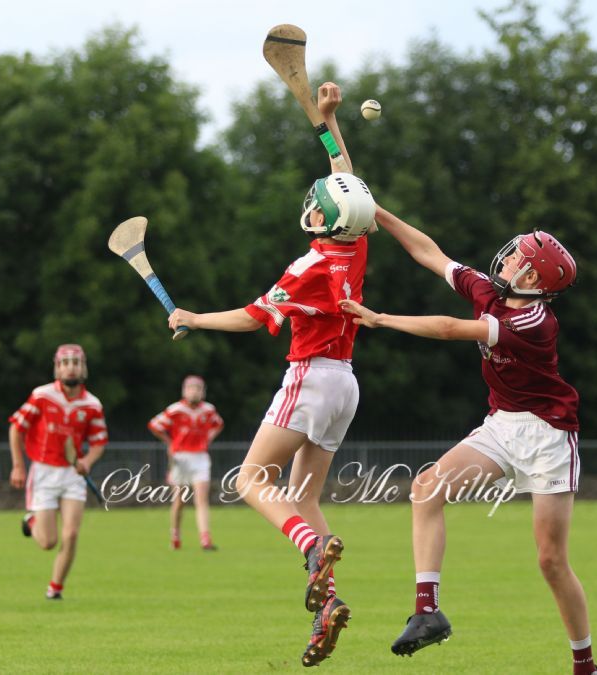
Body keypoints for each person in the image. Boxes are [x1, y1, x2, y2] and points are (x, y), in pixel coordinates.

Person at [339, 206, 597, 674]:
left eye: (517, 256)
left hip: (547, 434)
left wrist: (380, 319)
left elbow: (449, 328)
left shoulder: (534, 322)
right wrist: (375, 210)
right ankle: (427, 612)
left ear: (531, 278)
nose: (507, 258)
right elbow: (429, 252)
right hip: (502, 425)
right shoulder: (490, 291)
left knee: (551, 561)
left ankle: (585, 665)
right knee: (426, 489)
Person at [167, 82, 374, 667]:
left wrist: (193, 318)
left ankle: (310, 549)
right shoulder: (356, 245)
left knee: (250, 480)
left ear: (321, 217)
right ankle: (327, 605)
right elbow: (346, 181)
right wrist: (327, 121)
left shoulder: (309, 264)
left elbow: (253, 317)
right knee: (304, 495)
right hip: (346, 384)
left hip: (310, 378)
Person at [8, 344, 108, 600]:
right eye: (65, 363)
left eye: (76, 362)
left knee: (71, 533)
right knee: (47, 542)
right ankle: (31, 521)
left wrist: (87, 461)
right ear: (57, 368)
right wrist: (18, 465)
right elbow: (16, 428)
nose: (70, 367)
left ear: (83, 368)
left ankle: (55, 589)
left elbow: (99, 442)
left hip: (73, 475)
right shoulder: (42, 396)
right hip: (43, 472)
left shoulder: (92, 404)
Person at [148, 374, 224, 551]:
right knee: (179, 500)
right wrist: (169, 442)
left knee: (201, 499)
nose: (194, 391)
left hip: (200, 457)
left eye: (198, 388)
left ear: (203, 391)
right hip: (180, 458)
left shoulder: (208, 410)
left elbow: (218, 424)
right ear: (184, 391)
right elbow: (154, 425)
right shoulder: (176, 410)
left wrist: (208, 439)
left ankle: (205, 538)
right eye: (191, 388)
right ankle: (175, 535)